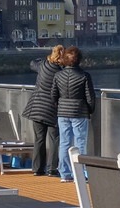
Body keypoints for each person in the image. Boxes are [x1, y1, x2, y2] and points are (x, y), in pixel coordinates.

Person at [51, 46, 95, 182]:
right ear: (79, 60)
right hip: (79, 112)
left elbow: (53, 94)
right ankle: (79, 174)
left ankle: (65, 174)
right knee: (80, 143)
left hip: (63, 112)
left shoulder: (58, 75)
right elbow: (90, 97)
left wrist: (59, 106)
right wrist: (90, 110)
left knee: (64, 143)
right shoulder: (84, 76)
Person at [22, 44, 64, 176]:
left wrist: (45, 58)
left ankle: (37, 169)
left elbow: (32, 63)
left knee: (39, 139)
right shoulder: (61, 72)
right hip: (52, 109)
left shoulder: (43, 66)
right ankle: (52, 168)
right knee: (54, 139)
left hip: (37, 107)